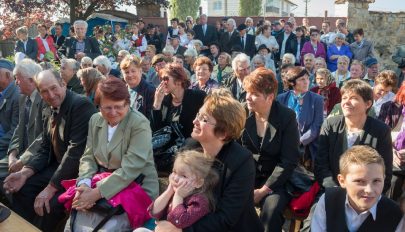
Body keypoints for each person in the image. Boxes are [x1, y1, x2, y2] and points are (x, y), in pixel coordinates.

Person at [153, 88, 264, 232]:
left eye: (204, 119)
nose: (195, 121)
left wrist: (181, 230)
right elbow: (174, 195)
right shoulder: (189, 146)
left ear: (223, 133)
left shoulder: (241, 161)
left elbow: (226, 218)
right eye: (198, 115)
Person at [3, 70, 97, 231]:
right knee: (22, 189)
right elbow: (46, 147)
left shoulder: (80, 105)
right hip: (58, 166)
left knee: (49, 206)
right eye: (44, 91)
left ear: (63, 84)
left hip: (81, 171)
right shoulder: (49, 107)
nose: (51, 95)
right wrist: (24, 173)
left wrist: (50, 188)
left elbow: (75, 153)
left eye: (54, 88)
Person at [62, 77, 159, 231]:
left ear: (128, 104)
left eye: (119, 106)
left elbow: (130, 169)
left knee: (106, 228)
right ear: (98, 106)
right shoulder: (95, 120)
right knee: (73, 223)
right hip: (101, 182)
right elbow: (88, 156)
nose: (113, 112)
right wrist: (84, 185)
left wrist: (96, 194)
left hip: (136, 185)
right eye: (107, 108)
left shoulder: (139, 124)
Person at [241, 67, 300, 231]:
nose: (248, 98)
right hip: (246, 176)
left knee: (271, 211)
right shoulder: (242, 112)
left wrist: (263, 191)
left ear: (270, 97)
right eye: (247, 92)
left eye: (254, 94)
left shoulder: (286, 117)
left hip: (275, 181)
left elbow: (289, 160)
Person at [315, 79, 393, 194]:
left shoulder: (381, 131)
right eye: (344, 98)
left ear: (368, 104)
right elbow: (321, 165)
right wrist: (336, 190)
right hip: (333, 190)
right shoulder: (330, 125)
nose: (346, 102)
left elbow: (385, 172)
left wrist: (364, 194)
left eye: (353, 98)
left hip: (367, 194)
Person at [311, 145, 405, 232]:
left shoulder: (395, 215)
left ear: (384, 179)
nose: (369, 190)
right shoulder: (328, 200)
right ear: (342, 181)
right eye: (360, 181)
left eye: (376, 181)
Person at [142, 150, 218, 230]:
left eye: (184, 176)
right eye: (174, 172)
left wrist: (179, 196)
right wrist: (169, 191)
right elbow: (154, 212)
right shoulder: (174, 191)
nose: (176, 178)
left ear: (198, 183)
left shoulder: (199, 201)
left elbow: (179, 221)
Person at [0, 60, 43, 185]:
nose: (16, 82)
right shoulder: (23, 97)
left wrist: (22, 160)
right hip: (19, 153)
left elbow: (44, 137)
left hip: (34, 157)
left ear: (31, 80)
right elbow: (18, 129)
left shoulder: (44, 99)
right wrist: (12, 155)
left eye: (18, 79)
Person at [151, 63, 206, 154]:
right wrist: (157, 103)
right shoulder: (164, 100)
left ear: (179, 81)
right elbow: (156, 131)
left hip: (191, 147)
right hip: (167, 149)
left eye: (166, 79)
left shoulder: (198, 97)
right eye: (161, 79)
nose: (162, 83)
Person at [277, 66, 324, 165]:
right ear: (292, 82)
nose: (306, 82)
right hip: (283, 144)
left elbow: (316, 126)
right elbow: (278, 123)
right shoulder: (281, 98)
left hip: (306, 147)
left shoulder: (317, 99)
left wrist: (299, 141)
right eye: (302, 79)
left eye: (307, 78)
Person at [121, 55, 155, 120]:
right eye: (126, 72)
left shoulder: (150, 91)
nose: (130, 75)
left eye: (133, 71)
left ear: (140, 71)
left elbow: (151, 119)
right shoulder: (122, 91)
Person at [0, 60, 20, 161]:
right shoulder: (2, 91)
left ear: (8, 75)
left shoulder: (17, 96)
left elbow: (15, 131)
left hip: (5, 145)